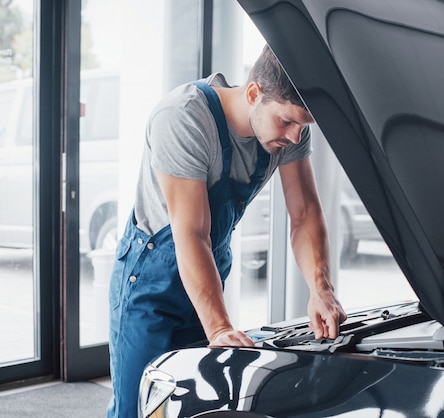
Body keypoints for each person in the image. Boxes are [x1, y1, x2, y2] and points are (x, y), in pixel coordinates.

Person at [106, 44, 347, 417]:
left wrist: (322, 289)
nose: (296, 137)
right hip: (150, 282)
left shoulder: (287, 130)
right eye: (287, 122)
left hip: (207, 269)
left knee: (194, 404)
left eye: (303, 126)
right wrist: (219, 327)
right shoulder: (184, 118)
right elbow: (191, 234)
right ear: (253, 93)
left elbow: (304, 213)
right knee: (140, 405)